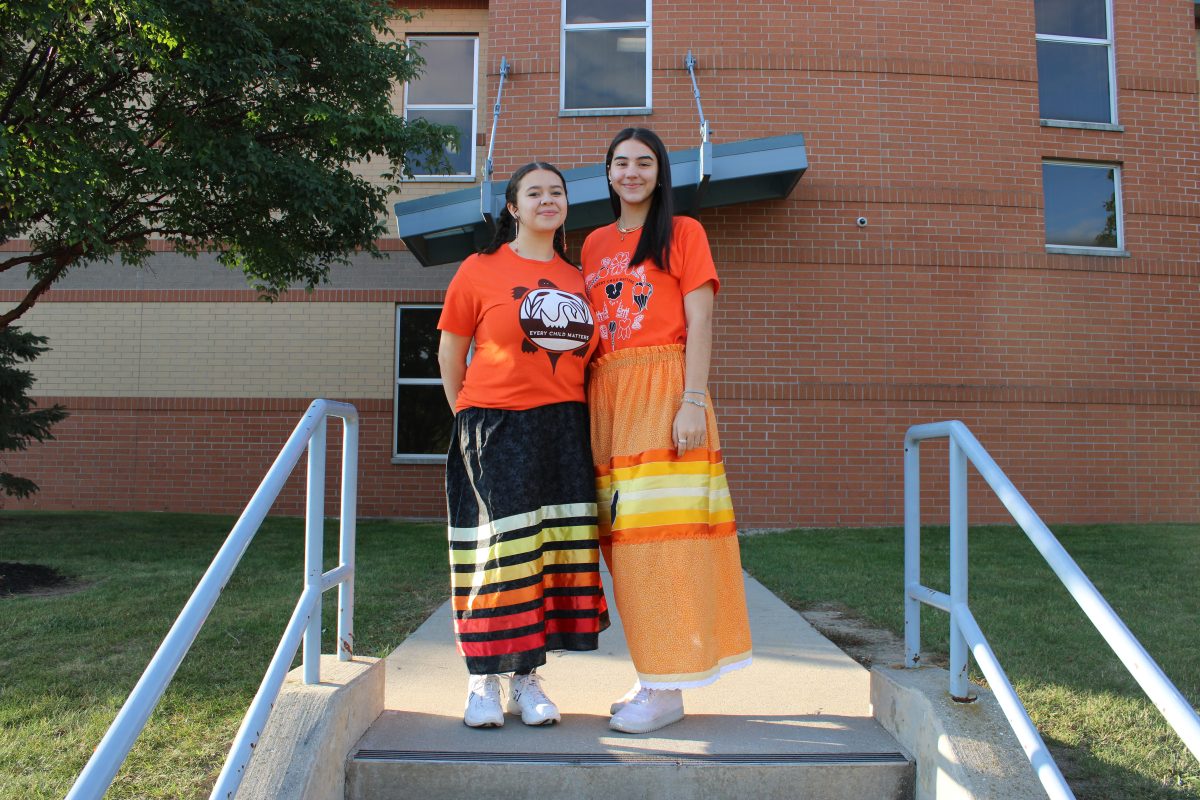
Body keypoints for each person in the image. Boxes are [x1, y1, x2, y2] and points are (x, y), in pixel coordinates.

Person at [581, 128, 752, 734]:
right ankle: (655, 668)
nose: (632, 172)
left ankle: (669, 686)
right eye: (621, 162)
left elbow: (700, 322)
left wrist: (692, 400)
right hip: (607, 398)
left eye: (644, 162)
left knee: (668, 542)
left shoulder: (684, 233)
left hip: (664, 390)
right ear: (607, 174)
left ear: (660, 173)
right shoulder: (594, 243)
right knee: (623, 545)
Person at [437, 162, 608, 728]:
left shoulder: (579, 277)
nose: (547, 200)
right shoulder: (480, 269)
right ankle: (481, 680)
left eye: (556, 192)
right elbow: (449, 350)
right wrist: (466, 415)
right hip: (495, 425)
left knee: (542, 556)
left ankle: (526, 678)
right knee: (496, 553)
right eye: (533, 192)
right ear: (512, 207)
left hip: (563, 429)